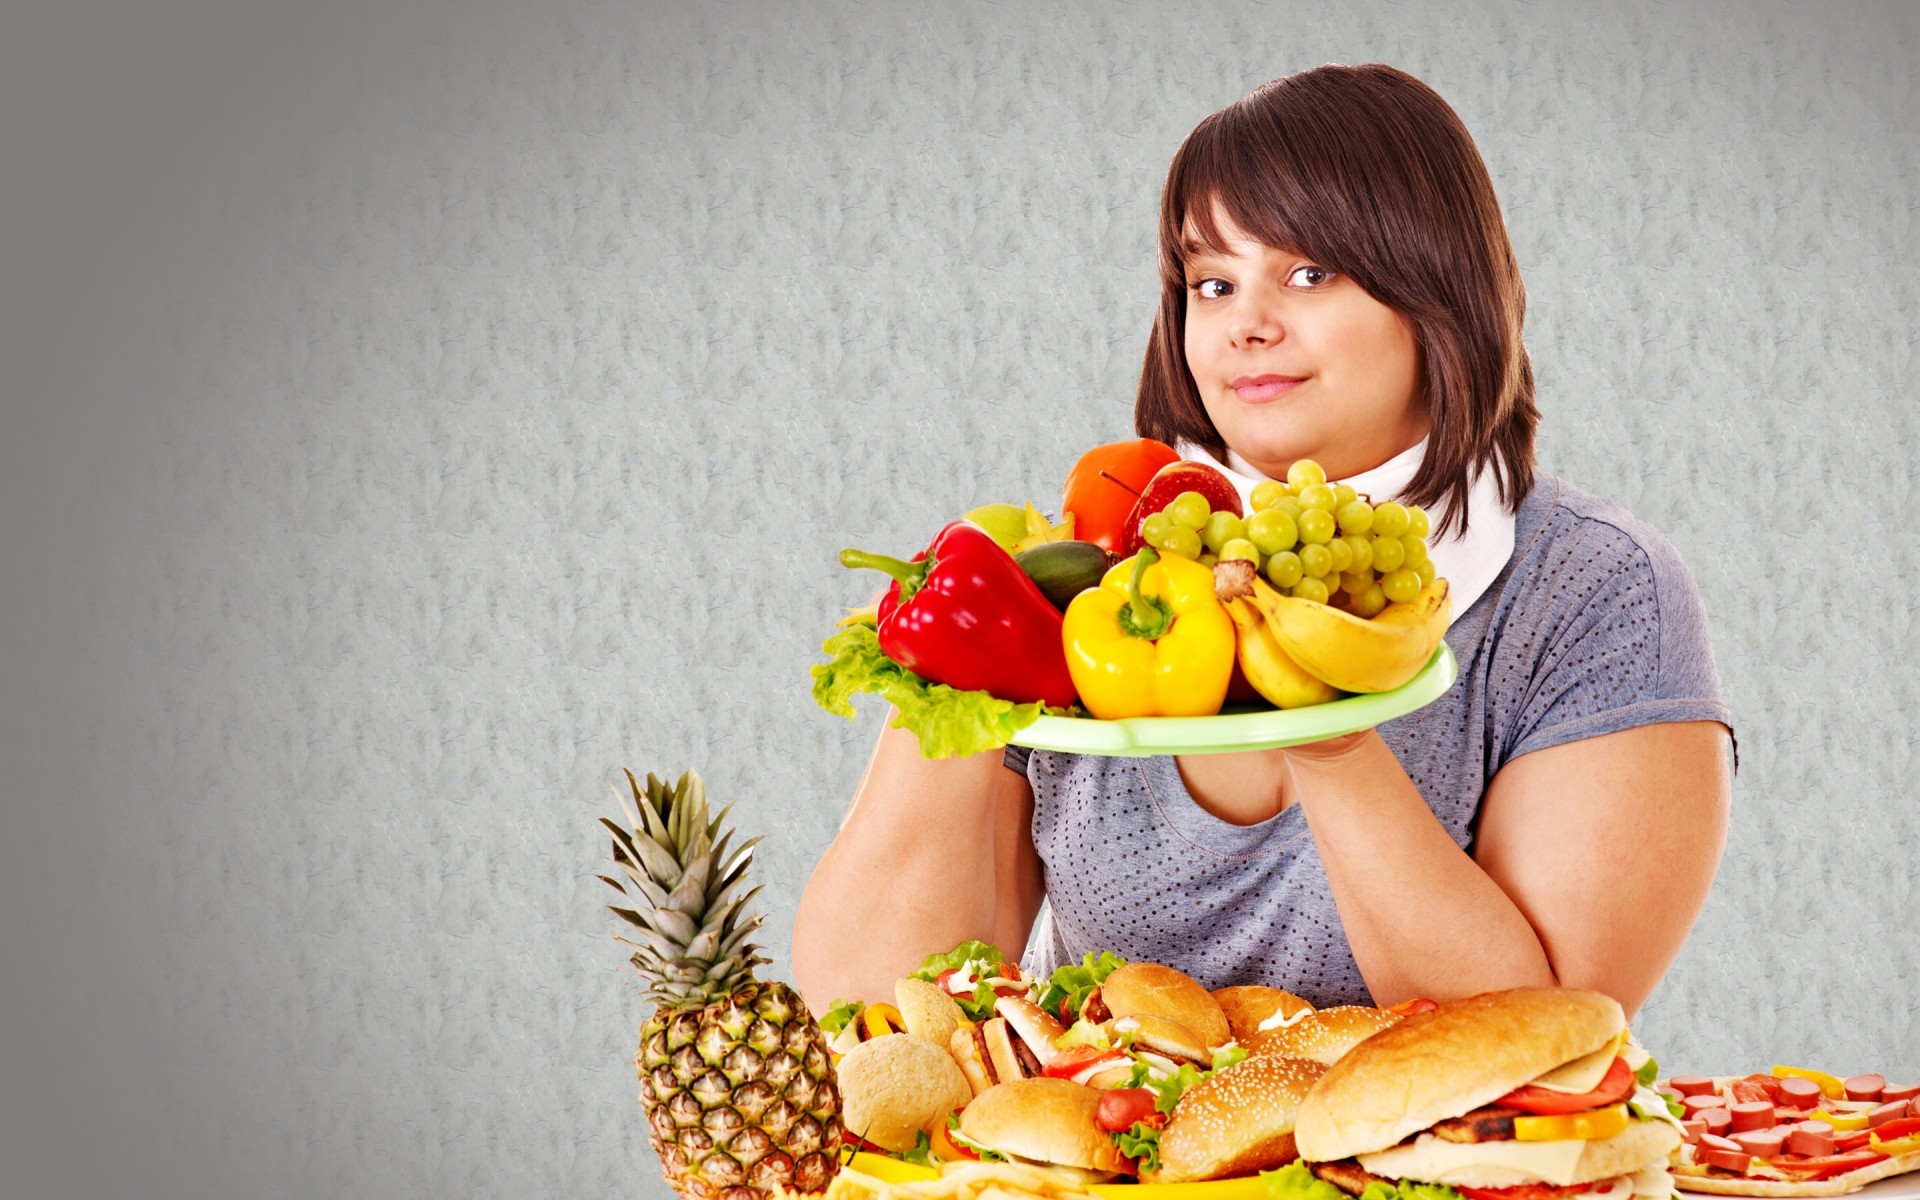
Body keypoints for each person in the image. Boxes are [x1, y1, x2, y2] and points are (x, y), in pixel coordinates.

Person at [792, 64, 1733, 1021]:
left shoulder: (1595, 589)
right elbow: (871, 1010)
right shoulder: (1091, 574)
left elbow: (1536, 1043)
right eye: (1212, 282)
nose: (1245, 324)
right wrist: (946, 660)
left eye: (1309, 272)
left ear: (1437, 291)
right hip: (1105, 1156)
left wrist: (1330, 740)